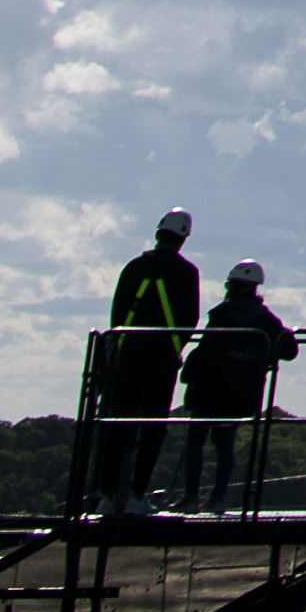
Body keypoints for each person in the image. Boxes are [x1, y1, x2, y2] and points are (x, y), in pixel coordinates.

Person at [96, 208, 202, 501]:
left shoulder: (133, 267)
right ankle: (137, 495)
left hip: (127, 355)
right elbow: (189, 319)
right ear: (183, 239)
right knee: (153, 429)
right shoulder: (187, 273)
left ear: (158, 233)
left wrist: (118, 349)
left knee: (117, 427)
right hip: (162, 360)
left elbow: (117, 313)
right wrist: (174, 349)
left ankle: (107, 494)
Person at [177, 261, 299, 511]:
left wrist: (190, 372)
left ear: (233, 286)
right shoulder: (266, 320)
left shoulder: (221, 314)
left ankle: (191, 498)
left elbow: (206, 351)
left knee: (195, 442)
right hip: (241, 393)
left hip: (209, 390)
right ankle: (218, 498)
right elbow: (289, 350)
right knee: (225, 443)